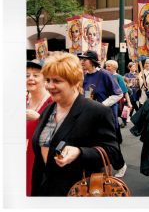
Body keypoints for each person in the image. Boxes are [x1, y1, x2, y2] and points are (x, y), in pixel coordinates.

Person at [31, 52, 120, 196]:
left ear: (75, 81)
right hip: (42, 190)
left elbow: (113, 152)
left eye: (57, 81)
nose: (49, 86)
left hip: (76, 192)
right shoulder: (48, 109)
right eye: (47, 80)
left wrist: (80, 152)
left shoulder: (97, 111)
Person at [78, 51, 127, 178]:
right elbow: (87, 94)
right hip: (89, 115)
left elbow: (119, 93)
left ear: (93, 61)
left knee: (110, 144)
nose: (82, 62)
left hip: (105, 115)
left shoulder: (105, 74)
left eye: (85, 60)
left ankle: (120, 165)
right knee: (93, 142)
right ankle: (98, 169)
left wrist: (100, 105)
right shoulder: (84, 76)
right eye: (81, 60)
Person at [26, 59, 52, 196]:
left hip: (40, 161)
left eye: (36, 75)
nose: (30, 78)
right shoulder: (22, 98)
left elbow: (62, 133)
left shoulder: (51, 102)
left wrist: (38, 118)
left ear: (45, 79)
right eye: (27, 75)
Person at [105, 60, 133, 128]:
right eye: (106, 66)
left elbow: (125, 91)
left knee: (119, 115)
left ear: (114, 67)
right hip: (107, 100)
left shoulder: (118, 77)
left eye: (109, 66)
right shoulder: (104, 76)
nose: (107, 68)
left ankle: (122, 124)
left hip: (118, 101)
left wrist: (129, 102)